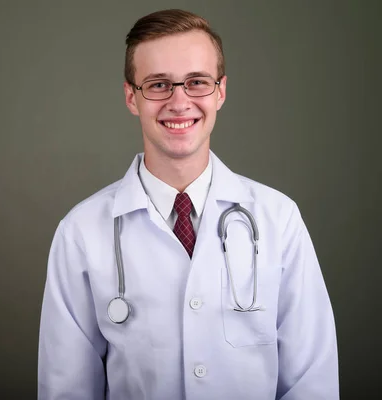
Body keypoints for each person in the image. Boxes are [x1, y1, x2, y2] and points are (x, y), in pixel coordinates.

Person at [37, 9, 338, 400]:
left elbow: (312, 382)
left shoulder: (279, 219)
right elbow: (67, 390)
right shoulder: (81, 231)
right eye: (158, 84)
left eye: (197, 82)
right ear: (132, 96)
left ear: (221, 91)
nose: (179, 102)